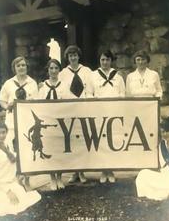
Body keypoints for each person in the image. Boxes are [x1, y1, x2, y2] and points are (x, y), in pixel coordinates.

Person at [0, 122, 41, 216]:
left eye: (3, 132)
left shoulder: (6, 146)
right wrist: (8, 192)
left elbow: (11, 164)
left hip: (10, 182)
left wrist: (18, 175)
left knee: (22, 198)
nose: (1, 135)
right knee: (5, 205)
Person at [59, 45, 93, 183]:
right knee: (72, 140)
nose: (73, 57)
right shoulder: (63, 73)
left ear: (78, 56)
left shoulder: (87, 71)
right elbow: (61, 92)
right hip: (70, 110)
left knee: (83, 140)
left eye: (75, 55)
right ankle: (74, 171)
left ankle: (83, 171)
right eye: (70, 55)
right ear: (67, 58)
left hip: (84, 109)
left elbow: (90, 90)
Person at [91, 50, 126, 183]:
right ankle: (103, 170)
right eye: (102, 60)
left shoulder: (118, 76)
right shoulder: (93, 76)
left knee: (112, 142)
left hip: (114, 114)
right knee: (101, 141)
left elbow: (123, 94)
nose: (105, 62)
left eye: (107, 60)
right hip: (99, 113)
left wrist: (116, 104)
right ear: (100, 61)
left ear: (111, 61)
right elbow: (89, 93)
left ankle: (110, 170)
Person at [0, 56, 39, 152]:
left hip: (27, 120)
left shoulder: (32, 83)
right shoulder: (9, 83)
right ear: (14, 68)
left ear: (27, 67)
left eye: (23, 65)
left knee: (27, 146)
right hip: (12, 120)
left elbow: (37, 103)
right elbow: (2, 100)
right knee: (11, 146)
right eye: (18, 65)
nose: (21, 67)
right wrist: (7, 106)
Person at [38, 59, 66, 190]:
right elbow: (38, 105)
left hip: (60, 122)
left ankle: (59, 178)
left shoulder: (64, 86)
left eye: (56, 68)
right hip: (47, 122)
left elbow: (69, 104)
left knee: (59, 150)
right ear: (48, 70)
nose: (54, 71)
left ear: (59, 70)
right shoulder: (43, 87)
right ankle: (52, 178)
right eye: (51, 68)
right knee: (48, 150)